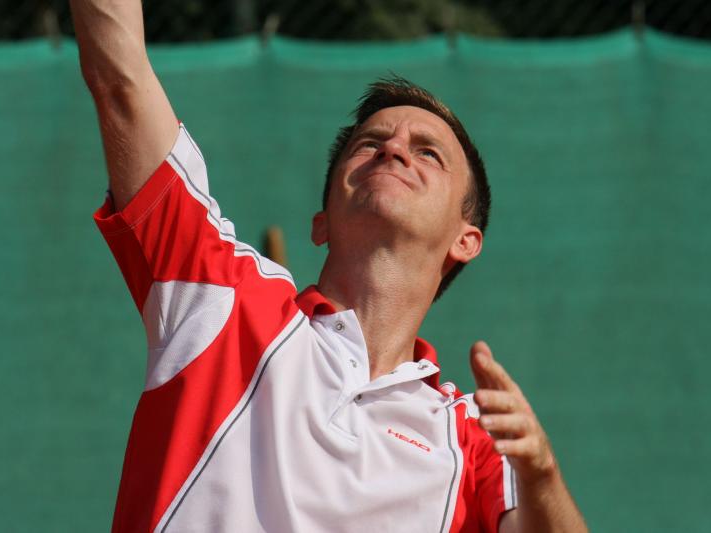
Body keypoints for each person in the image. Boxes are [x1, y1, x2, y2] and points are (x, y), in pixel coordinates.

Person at [71, 1, 588, 532]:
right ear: (321, 224)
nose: (393, 149)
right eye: (369, 144)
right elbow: (121, 79)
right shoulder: (221, 294)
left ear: (466, 240)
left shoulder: (476, 441)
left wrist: (543, 475)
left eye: (428, 153)